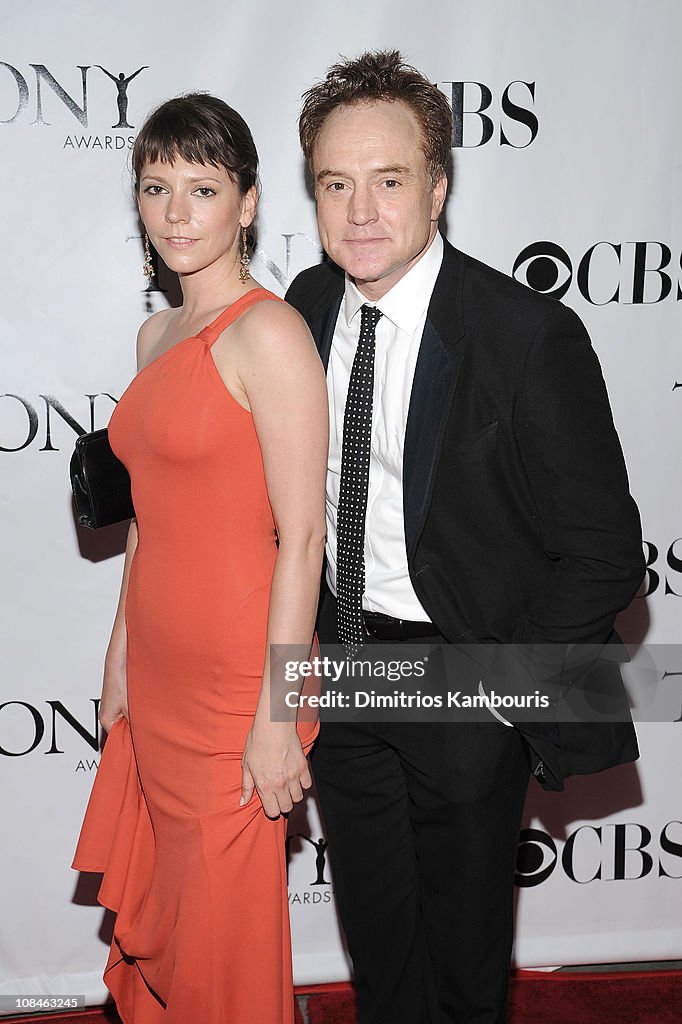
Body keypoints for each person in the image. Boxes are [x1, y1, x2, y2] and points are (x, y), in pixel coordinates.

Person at [285, 51, 645, 1024]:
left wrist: (495, 681)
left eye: (388, 179)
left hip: (460, 679)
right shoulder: (304, 312)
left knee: (463, 964)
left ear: (437, 188)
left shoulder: (524, 334)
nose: (360, 210)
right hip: (345, 670)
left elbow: (606, 551)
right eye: (336, 182)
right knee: (380, 947)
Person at [72, 93, 328, 1024]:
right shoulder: (156, 335)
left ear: (249, 204)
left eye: (204, 188)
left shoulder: (271, 334)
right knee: (177, 926)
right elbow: (148, 521)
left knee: (225, 948)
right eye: (156, 187)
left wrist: (278, 713)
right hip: (159, 679)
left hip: (236, 694)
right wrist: (118, 659)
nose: (177, 213)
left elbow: (303, 537)